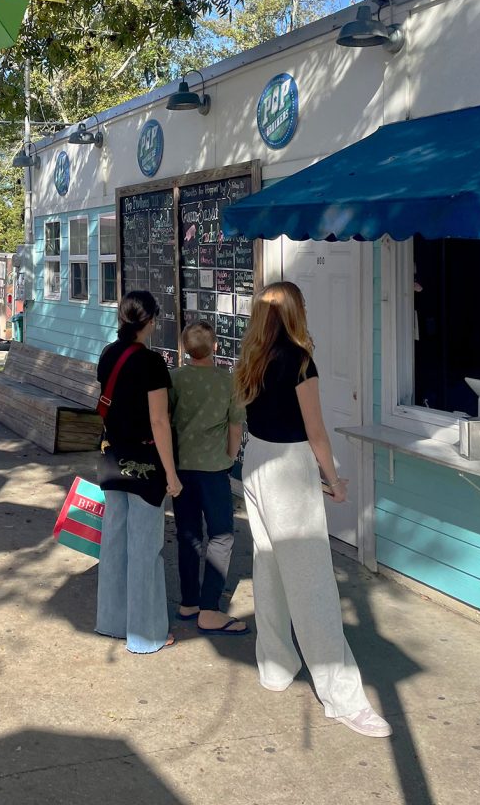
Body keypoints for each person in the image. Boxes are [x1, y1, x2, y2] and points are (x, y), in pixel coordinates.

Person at [235, 281, 391, 738]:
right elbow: (316, 431)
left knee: (269, 567)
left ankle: (276, 664)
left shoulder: (253, 358)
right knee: (312, 581)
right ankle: (342, 696)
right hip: (288, 466)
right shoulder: (300, 361)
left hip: (257, 461)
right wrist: (334, 479)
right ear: (296, 312)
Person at [95, 290, 182, 654]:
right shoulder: (152, 363)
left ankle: (112, 622)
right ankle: (145, 634)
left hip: (113, 459)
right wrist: (172, 474)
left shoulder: (108, 354)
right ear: (151, 321)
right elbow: (159, 421)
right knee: (145, 548)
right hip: (146, 463)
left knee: (114, 541)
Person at [171, 321, 249, 635]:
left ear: (184, 348)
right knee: (221, 536)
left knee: (188, 534)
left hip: (181, 469)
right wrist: (230, 457)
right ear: (216, 346)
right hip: (215, 470)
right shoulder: (228, 381)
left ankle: (189, 601)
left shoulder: (173, 379)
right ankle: (210, 608)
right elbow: (235, 426)